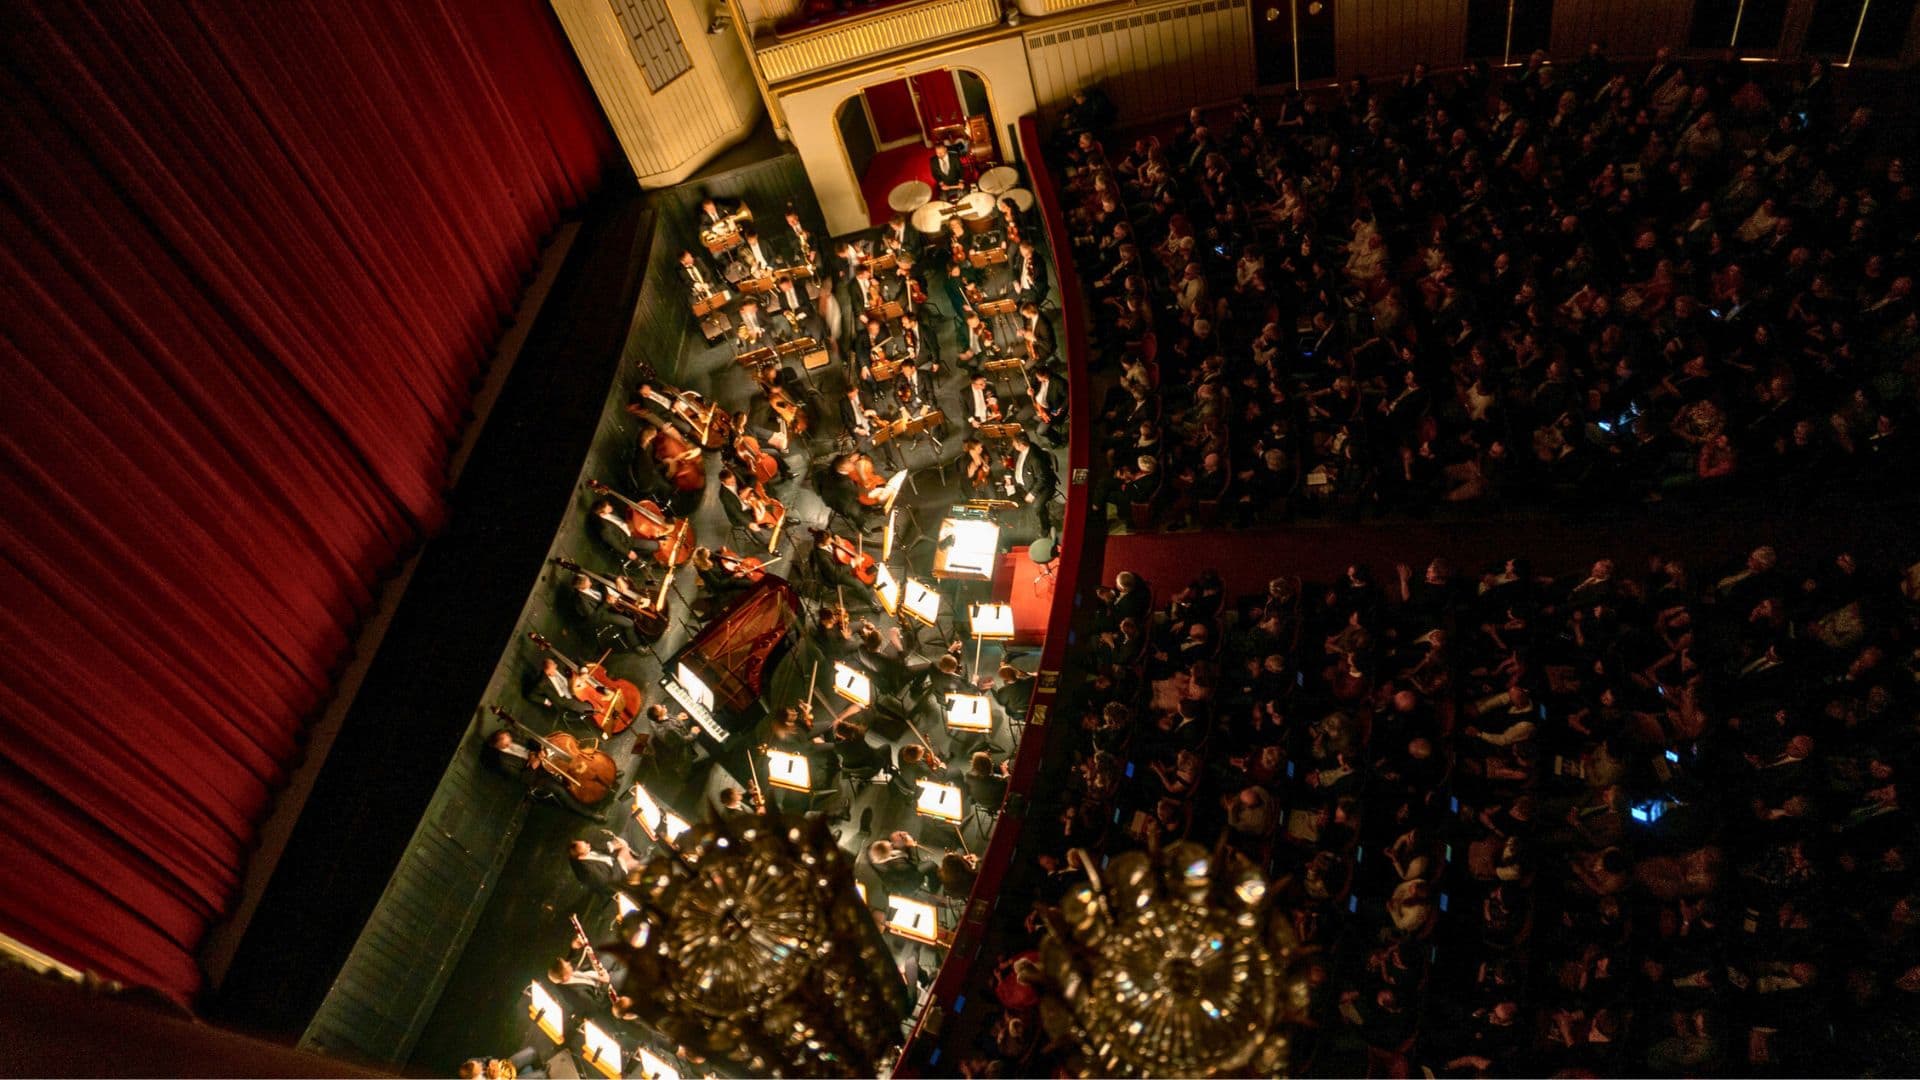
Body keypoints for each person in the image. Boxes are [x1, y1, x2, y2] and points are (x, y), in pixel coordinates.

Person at [1009, 429, 1059, 534]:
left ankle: (1045, 526)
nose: (1013, 446)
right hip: (1026, 482)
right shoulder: (1023, 448)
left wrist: (1032, 493)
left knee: (1038, 506)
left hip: (1044, 486)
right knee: (1010, 495)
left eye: (1015, 444)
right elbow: (1012, 453)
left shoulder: (1035, 459)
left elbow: (1042, 479)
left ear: (1021, 445)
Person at [567, 834, 639, 896]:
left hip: (614, 860)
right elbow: (610, 879)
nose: (588, 844)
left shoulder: (584, 852)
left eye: (586, 843)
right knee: (637, 864)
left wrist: (612, 846)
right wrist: (620, 859)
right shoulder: (589, 871)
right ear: (580, 857)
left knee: (624, 839)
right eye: (586, 846)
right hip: (619, 873)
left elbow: (599, 847)